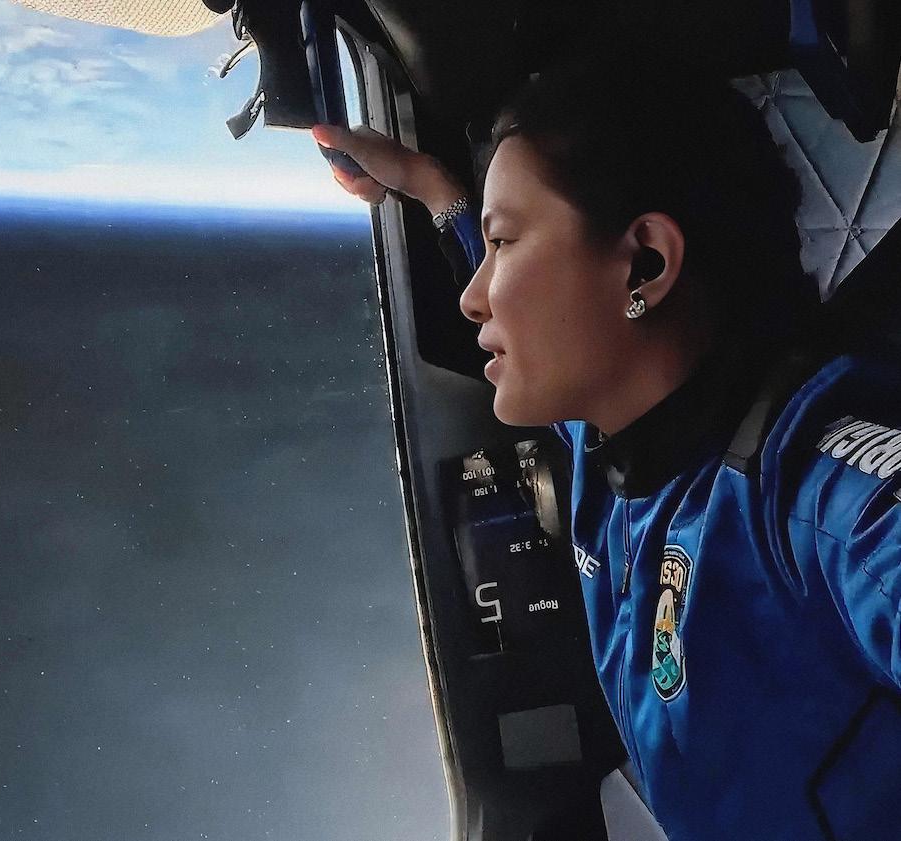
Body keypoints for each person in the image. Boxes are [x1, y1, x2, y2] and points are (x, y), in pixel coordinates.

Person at [312, 54, 901, 841]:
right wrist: (429, 188)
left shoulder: (816, 497)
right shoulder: (608, 440)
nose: (474, 295)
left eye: (504, 242)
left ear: (646, 263)